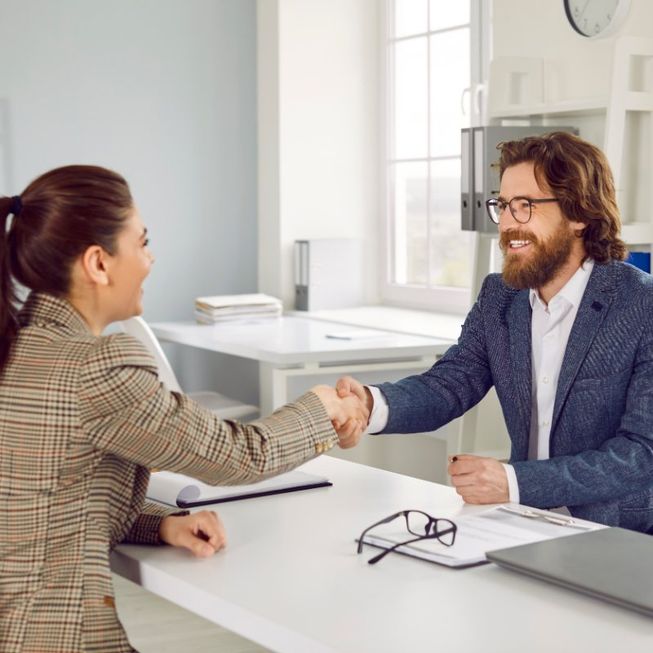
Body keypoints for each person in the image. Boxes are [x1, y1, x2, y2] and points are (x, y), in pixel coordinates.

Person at [0, 165, 367, 653]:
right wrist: (322, 408)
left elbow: (48, 498)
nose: (150, 259)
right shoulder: (95, 368)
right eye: (141, 243)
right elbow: (239, 457)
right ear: (98, 263)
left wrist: (159, 522)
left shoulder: (21, 348)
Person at [337, 131, 653, 533]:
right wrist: (369, 405)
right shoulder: (500, 296)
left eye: (525, 206)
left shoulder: (641, 306)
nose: (506, 223)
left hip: (619, 538)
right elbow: (450, 384)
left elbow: (643, 454)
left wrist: (513, 483)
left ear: (580, 214)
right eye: (502, 206)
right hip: (524, 524)